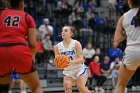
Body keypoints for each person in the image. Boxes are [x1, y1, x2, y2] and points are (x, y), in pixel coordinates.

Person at [0, 0, 43, 93]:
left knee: (3, 86)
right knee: (36, 87)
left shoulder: (1, 14)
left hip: (1, 50)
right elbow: (32, 44)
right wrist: (31, 59)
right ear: (21, 4)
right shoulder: (27, 16)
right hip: (19, 51)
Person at [54, 25, 91, 93]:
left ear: (71, 33)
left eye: (65, 31)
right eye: (62, 31)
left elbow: (81, 59)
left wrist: (70, 62)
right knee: (67, 86)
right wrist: (59, 65)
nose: (63, 32)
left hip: (79, 68)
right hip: (68, 70)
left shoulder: (76, 43)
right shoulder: (57, 47)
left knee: (80, 87)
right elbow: (57, 61)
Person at [113, 0, 140, 93]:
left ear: (129, 2)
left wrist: (127, 34)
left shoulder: (124, 17)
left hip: (132, 52)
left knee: (120, 84)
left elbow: (117, 39)